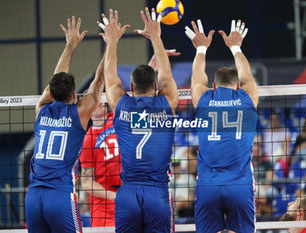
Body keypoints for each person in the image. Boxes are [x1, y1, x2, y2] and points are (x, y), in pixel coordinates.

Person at [25, 16, 106, 233]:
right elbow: (98, 82)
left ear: (50, 93)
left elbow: (55, 79)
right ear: (74, 93)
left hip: (32, 197)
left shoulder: (41, 109)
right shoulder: (79, 114)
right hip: (59, 196)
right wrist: (112, 44)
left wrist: (70, 46)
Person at [101, 8, 179, 232]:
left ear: (131, 87)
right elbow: (166, 74)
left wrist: (112, 41)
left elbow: (109, 74)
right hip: (157, 193)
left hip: (128, 193)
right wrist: (156, 37)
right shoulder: (166, 104)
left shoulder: (121, 105)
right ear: (156, 87)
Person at [185, 19, 258, 232]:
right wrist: (236, 47)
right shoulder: (247, 98)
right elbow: (248, 77)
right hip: (240, 185)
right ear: (237, 86)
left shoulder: (204, 98)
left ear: (213, 85)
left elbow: (197, 79)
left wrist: (200, 48)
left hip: (209, 185)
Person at [79, 102, 121, 227]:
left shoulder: (118, 119)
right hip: (103, 206)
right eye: (96, 101)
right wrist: (114, 196)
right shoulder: (88, 139)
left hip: (130, 197)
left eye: (102, 100)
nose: (101, 102)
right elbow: (86, 183)